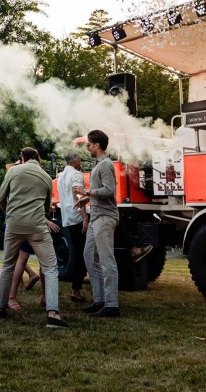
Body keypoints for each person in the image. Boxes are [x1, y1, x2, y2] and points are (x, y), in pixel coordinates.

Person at [0, 147, 67, 329]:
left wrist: (9, 213)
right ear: (38, 159)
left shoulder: (14, 171)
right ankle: (52, 313)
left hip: (14, 224)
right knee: (50, 267)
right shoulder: (46, 177)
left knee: (8, 264)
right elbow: (46, 207)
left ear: (22, 158)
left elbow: (0, 198)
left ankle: (1, 306)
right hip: (36, 226)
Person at [75, 129, 120, 318]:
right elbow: (101, 191)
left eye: (89, 144)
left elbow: (109, 190)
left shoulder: (106, 165)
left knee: (106, 260)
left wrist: (87, 193)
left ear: (97, 145)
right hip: (96, 217)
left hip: (104, 217)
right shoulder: (99, 165)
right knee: (89, 257)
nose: (87, 147)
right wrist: (87, 201)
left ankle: (111, 305)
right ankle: (100, 300)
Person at [57, 150, 88, 302]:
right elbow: (79, 195)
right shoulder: (76, 174)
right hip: (76, 216)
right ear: (74, 159)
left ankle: (76, 288)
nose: (80, 162)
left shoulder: (61, 176)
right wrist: (85, 218)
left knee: (76, 251)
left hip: (67, 217)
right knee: (81, 253)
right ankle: (76, 290)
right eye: (79, 159)